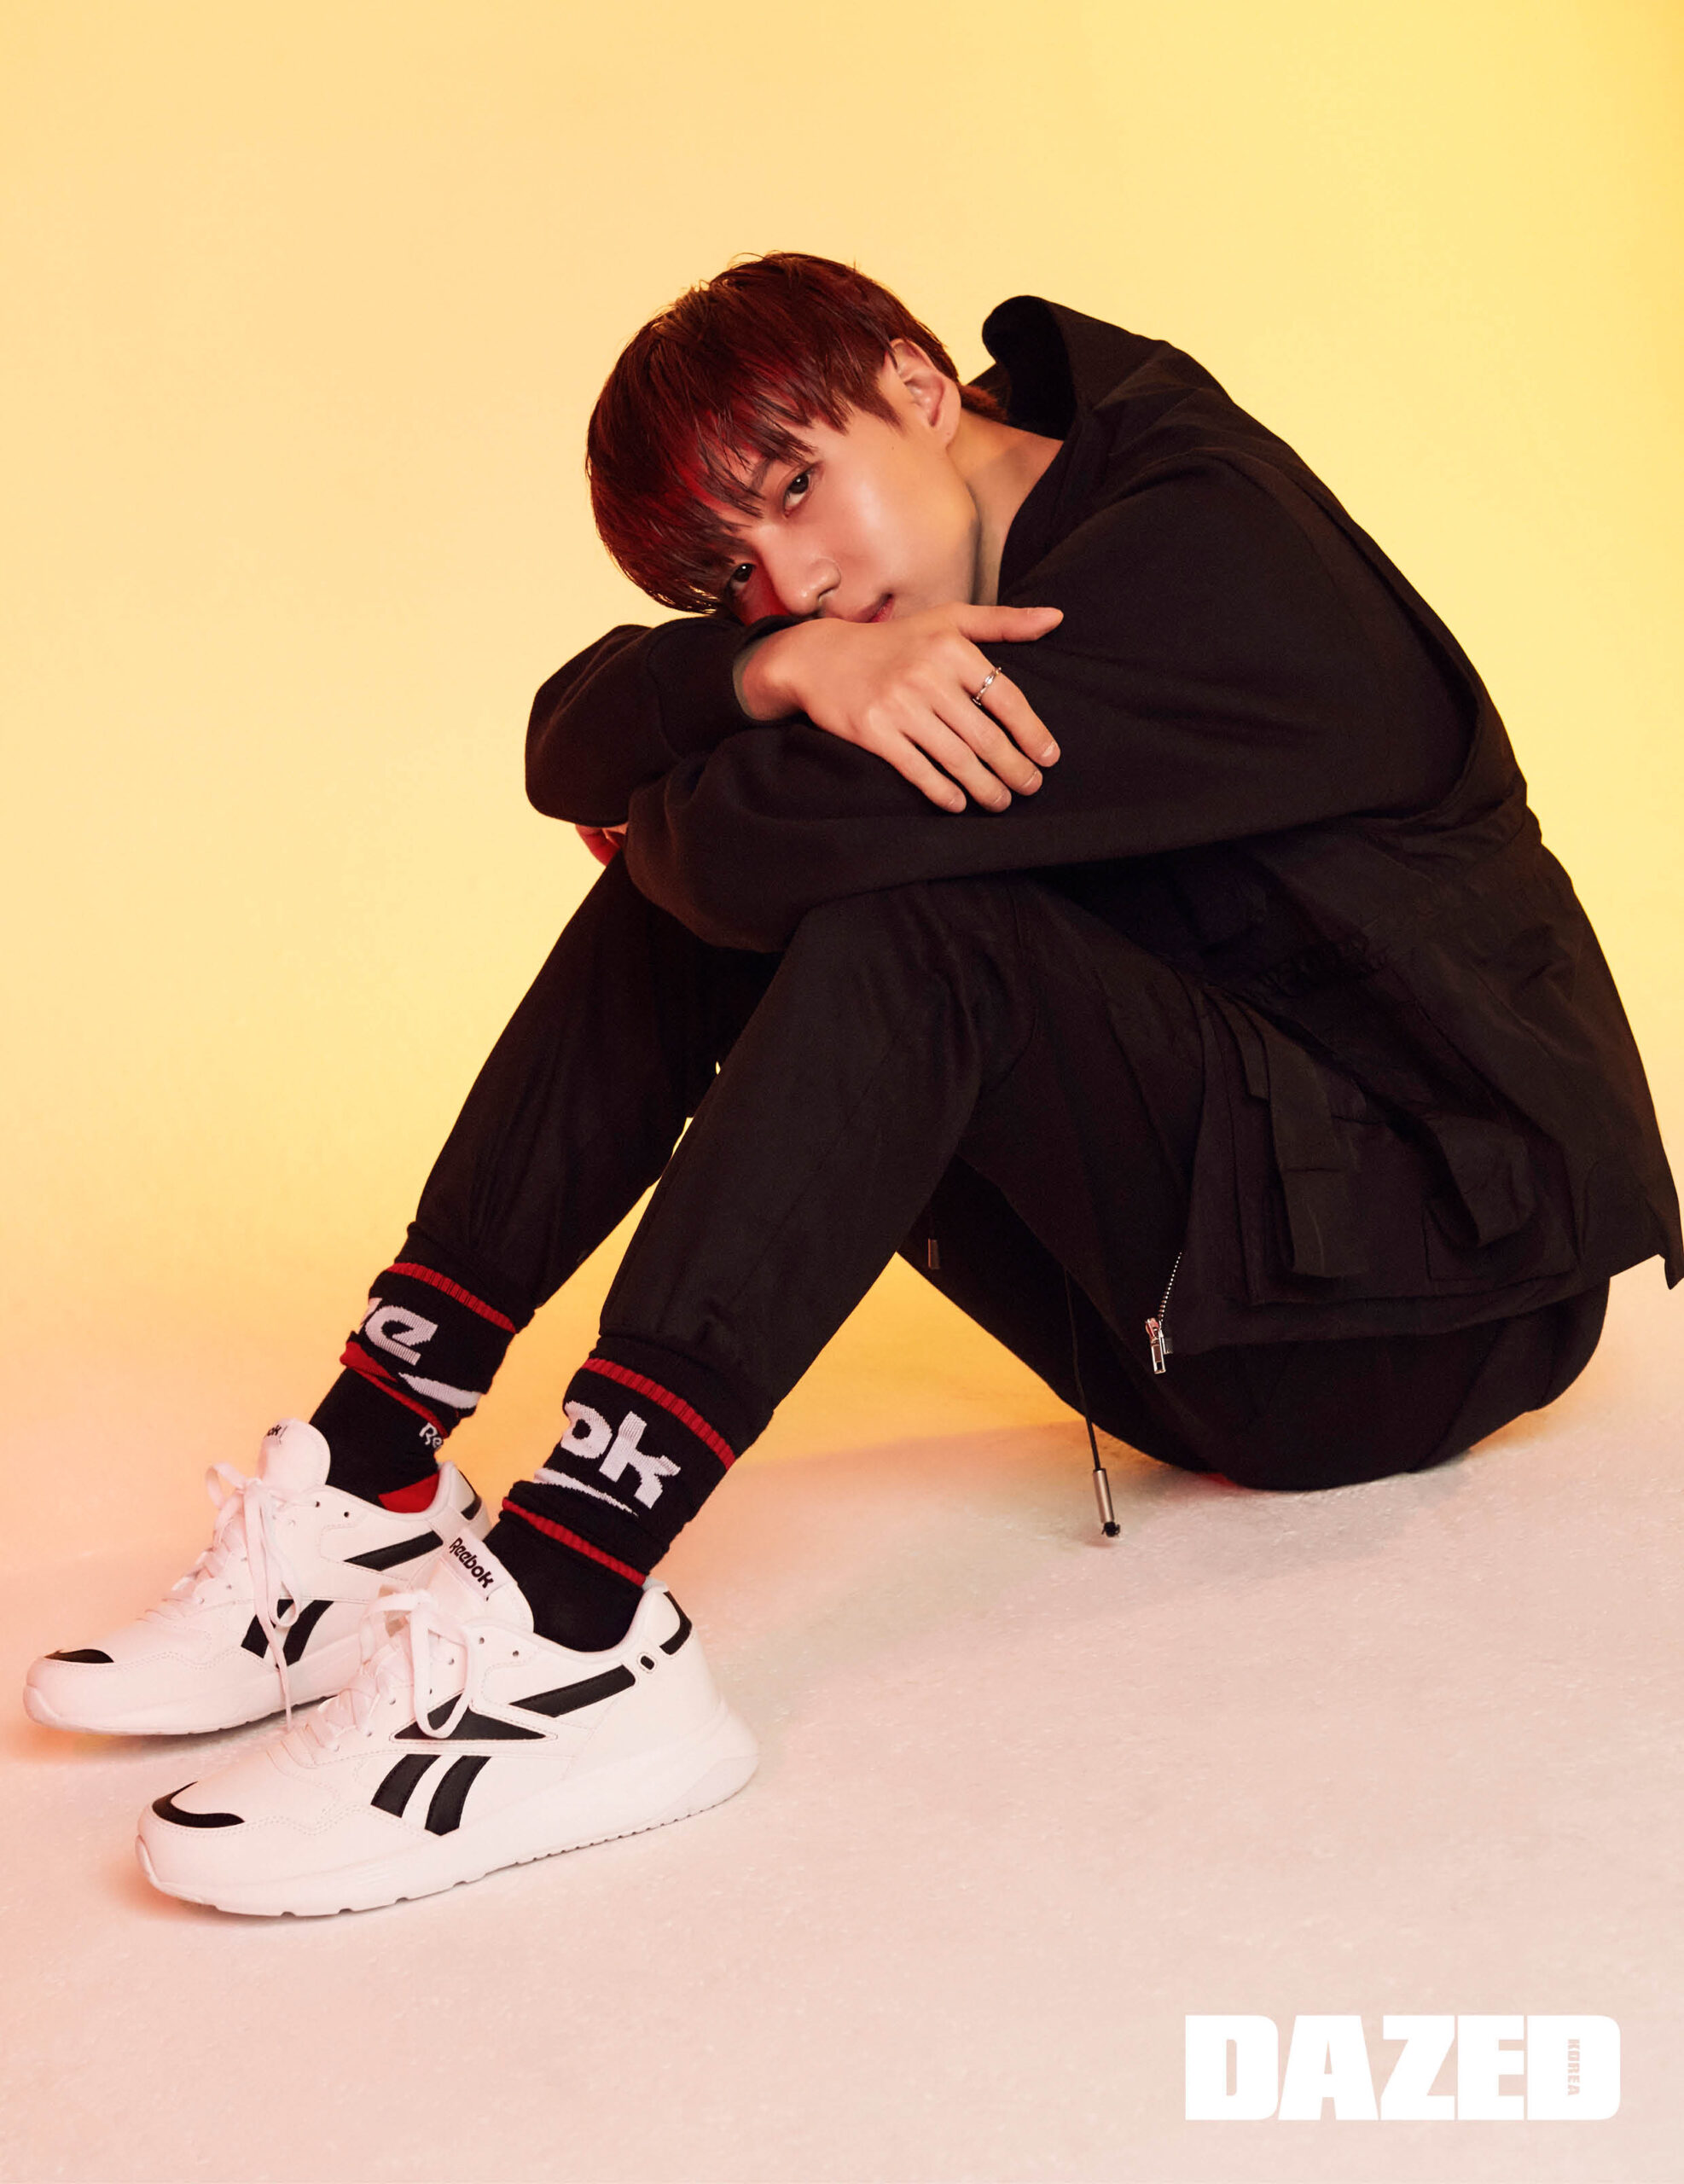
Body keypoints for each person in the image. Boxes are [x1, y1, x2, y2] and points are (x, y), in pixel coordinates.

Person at [26, 253, 1679, 1918]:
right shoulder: (915, 576)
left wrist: (703, 782)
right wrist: (761, 679)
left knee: (892, 923)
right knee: (778, 878)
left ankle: (571, 1618)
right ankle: (376, 1461)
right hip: (1199, 1286)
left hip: (1420, 1317)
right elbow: (566, 741)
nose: (796, 581)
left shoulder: (1209, 564)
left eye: (797, 489)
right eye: (738, 574)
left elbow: (735, 848)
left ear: (917, 383)